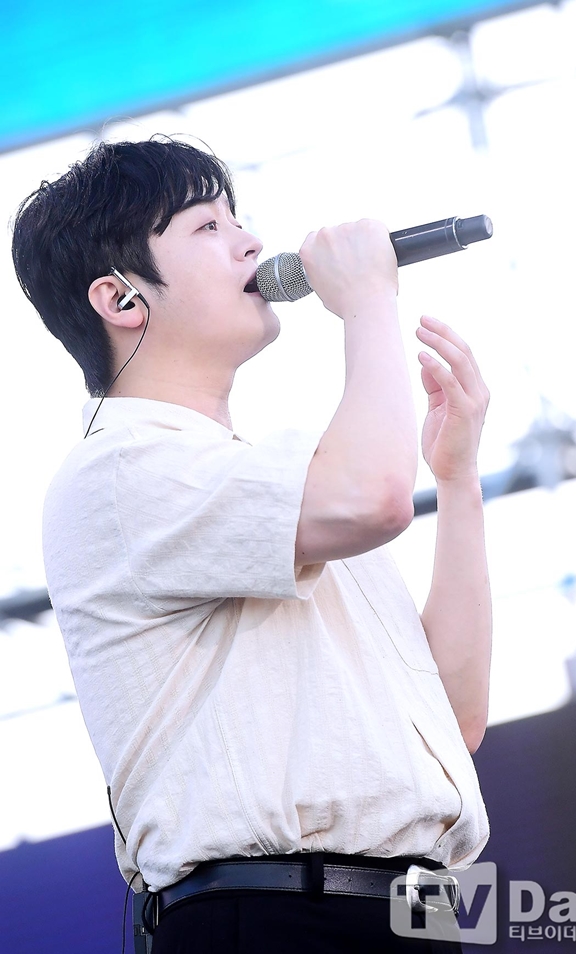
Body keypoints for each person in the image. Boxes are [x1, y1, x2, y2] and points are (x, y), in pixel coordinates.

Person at [12, 136, 492, 953]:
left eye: (237, 221)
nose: (251, 243)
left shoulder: (276, 491)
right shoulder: (120, 472)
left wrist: (458, 480)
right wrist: (367, 302)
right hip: (277, 915)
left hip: (419, 909)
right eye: (207, 227)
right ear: (121, 298)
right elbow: (375, 497)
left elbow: (458, 718)